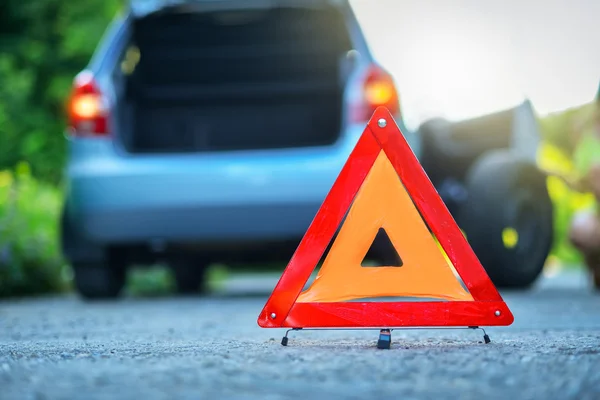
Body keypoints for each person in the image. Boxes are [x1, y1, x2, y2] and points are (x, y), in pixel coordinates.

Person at [559, 87, 600, 288]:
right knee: (581, 227)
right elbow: (580, 184)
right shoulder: (589, 139)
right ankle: (596, 266)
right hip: (597, 213)